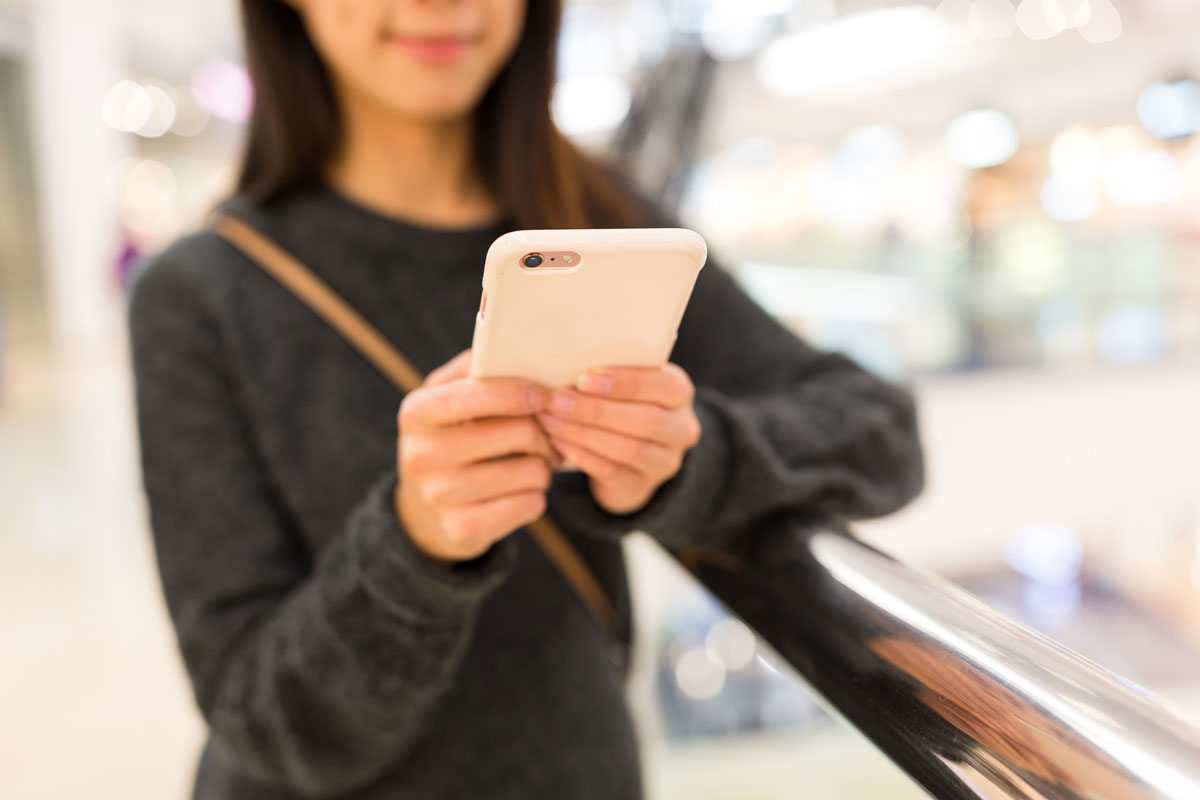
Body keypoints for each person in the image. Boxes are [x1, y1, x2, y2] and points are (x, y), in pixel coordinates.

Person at [127, 1, 925, 798]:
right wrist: (416, 546)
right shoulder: (200, 296)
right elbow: (267, 725)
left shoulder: (599, 221)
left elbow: (880, 434)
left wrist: (684, 463)